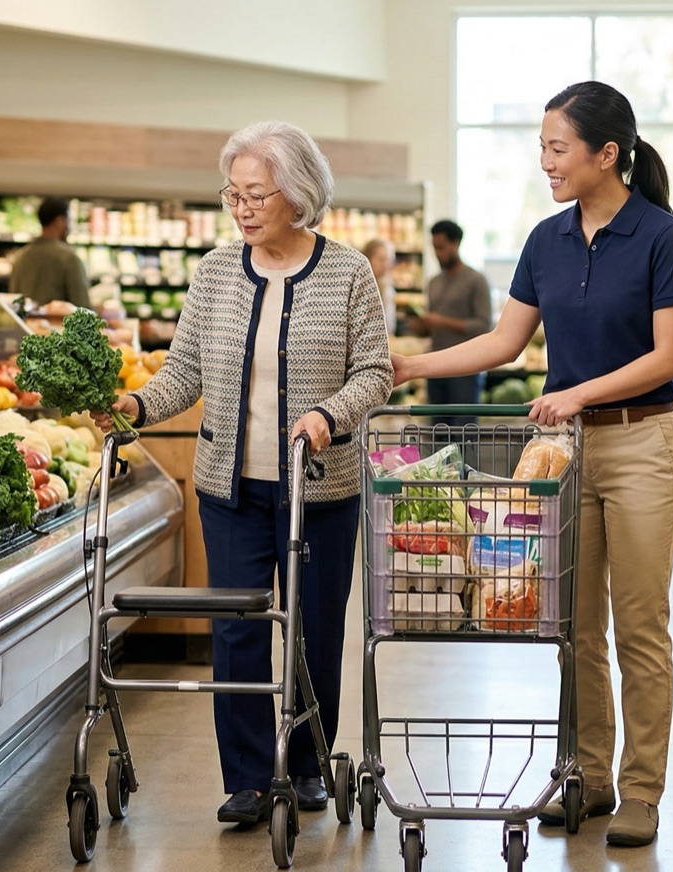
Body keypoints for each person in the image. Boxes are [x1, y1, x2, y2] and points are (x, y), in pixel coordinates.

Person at [392, 81, 673, 848]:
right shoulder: (545, 240)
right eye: (541, 148)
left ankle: (642, 792)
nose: (546, 162)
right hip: (562, 455)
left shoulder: (664, 238)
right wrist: (408, 365)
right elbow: (503, 345)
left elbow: (671, 357)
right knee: (574, 626)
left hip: (639, 444)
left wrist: (574, 392)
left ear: (606, 153)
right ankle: (589, 778)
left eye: (557, 148)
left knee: (639, 624)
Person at [108, 121, 392, 828]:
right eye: (232, 194)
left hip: (319, 487)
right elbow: (184, 371)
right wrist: (138, 404)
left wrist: (330, 413)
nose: (241, 207)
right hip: (229, 489)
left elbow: (376, 371)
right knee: (235, 629)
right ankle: (246, 779)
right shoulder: (213, 272)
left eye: (255, 193)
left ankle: (306, 767)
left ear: (298, 194)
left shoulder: (348, 271)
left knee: (312, 629)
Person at [412, 220, 490, 426]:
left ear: (456, 244)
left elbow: (483, 325)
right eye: (434, 247)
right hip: (435, 365)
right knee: (438, 430)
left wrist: (442, 321)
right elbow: (431, 328)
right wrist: (421, 325)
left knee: (465, 429)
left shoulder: (476, 280)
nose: (437, 253)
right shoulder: (434, 282)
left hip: (466, 368)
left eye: (441, 247)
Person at [8, 197, 91, 310]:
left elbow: (13, 301)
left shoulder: (20, 257)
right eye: (69, 221)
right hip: (59, 327)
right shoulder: (69, 258)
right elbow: (83, 309)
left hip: (26, 326)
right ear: (60, 221)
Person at [362, 238, 397, 337]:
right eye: (382, 260)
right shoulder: (361, 288)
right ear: (367, 259)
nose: (386, 265)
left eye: (389, 260)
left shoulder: (387, 287)